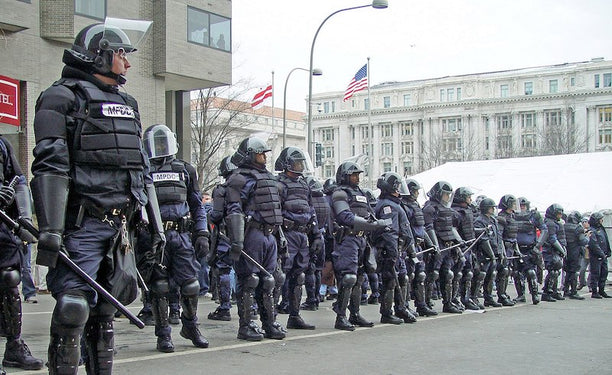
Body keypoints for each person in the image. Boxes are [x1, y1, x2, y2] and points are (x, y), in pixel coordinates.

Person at [31, 19, 163, 374]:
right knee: (73, 308)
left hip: (121, 229)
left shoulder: (129, 103)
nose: (128, 63)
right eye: (121, 53)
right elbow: (50, 165)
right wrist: (51, 229)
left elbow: (140, 170)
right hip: (82, 224)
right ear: (99, 55)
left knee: (106, 310)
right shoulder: (62, 97)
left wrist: (153, 226)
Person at [138, 124, 211, 353]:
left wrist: (202, 233)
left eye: (163, 141)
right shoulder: (142, 170)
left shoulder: (185, 170)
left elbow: (197, 205)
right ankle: (163, 335)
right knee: (159, 287)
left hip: (181, 235)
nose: (160, 146)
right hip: (154, 237)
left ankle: (190, 327)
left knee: (191, 284)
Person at [225, 137, 286, 341]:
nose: (265, 157)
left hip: (270, 234)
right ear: (250, 155)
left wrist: (281, 235)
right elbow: (234, 209)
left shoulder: (268, 177)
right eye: (261, 154)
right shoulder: (239, 178)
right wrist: (237, 240)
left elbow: (274, 209)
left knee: (270, 281)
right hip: (251, 234)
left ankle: (269, 322)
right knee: (250, 280)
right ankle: (246, 325)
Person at [0, 136, 43, 373]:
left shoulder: (2, 145)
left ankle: (14, 347)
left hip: (2, 227)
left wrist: (24, 223)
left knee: (9, 279)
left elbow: (18, 182)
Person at [330, 162, 389, 331]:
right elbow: (344, 216)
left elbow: (369, 213)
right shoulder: (340, 192)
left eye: (358, 174)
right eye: (353, 174)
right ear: (345, 176)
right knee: (349, 277)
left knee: (360, 277)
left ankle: (354, 314)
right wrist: (371, 225)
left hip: (363, 239)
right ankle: (341, 317)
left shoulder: (361, 193)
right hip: (348, 238)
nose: (357, 177)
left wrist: (380, 223)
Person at [274, 147, 321, 330]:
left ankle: (294, 316)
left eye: (301, 162)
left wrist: (316, 235)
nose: (300, 166)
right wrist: (279, 236)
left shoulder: (304, 185)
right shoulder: (279, 185)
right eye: (296, 162)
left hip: (303, 235)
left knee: (299, 275)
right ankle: (273, 318)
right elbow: (275, 213)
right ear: (286, 164)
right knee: (279, 276)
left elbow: (312, 211)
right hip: (287, 233)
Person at [373, 172, 417, 324]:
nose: (399, 190)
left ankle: (401, 307)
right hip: (390, 250)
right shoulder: (387, 205)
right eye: (396, 187)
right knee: (391, 280)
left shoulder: (394, 203)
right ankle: (387, 312)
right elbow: (389, 231)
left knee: (402, 278)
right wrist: (392, 254)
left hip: (398, 249)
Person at [423, 181, 463, 314]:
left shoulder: (448, 210)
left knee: (448, 274)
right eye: (445, 194)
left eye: (448, 195)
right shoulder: (430, 208)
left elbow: (452, 228)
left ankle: (448, 302)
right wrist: (434, 245)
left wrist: (458, 242)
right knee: (432, 274)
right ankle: (426, 302)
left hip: (448, 245)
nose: (447, 197)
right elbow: (429, 227)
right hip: (437, 245)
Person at [401, 179, 437, 317]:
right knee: (408, 276)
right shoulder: (404, 206)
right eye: (414, 190)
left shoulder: (416, 205)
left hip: (419, 245)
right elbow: (406, 228)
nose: (416, 193)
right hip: (410, 245)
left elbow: (421, 227)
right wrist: (410, 248)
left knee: (420, 275)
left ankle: (421, 305)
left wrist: (430, 243)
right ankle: (404, 305)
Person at [207, 156, 237, 321]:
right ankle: (252, 308)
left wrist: (209, 216)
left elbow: (216, 215)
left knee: (223, 269)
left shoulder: (221, 189)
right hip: (246, 235)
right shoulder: (247, 186)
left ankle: (225, 307)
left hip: (225, 236)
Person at [301, 176, 330, 311]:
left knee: (310, 270)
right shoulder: (325, 201)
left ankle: (311, 299)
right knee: (318, 269)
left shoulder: (309, 202)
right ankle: (316, 297)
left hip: (310, 237)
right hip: (321, 237)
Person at [451, 187, 480, 310]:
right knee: (457, 274)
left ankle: (466, 298)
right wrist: (459, 243)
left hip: (469, 246)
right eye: (468, 197)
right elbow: (453, 229)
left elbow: (471, 229)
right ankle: (454, 299)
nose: (470, 199)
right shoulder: (455, 211)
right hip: (460, 247)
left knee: (469, 273)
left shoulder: (468, 211)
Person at [514, 196, 547, 305]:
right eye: (520, 205)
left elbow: (544, 230)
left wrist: (537, 246)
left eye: (524, 205)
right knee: (517, 273)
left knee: (531, 272)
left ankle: (535, 294)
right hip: (516, 248)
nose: (522, 207)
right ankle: (521, 295)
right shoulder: (512, 215)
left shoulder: (534, 215)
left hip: (530, 248)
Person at [474, 198, 503, 308]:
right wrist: (491, 255)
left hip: (493, 251)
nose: (493, 209)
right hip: (483, 253)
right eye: (491, 207)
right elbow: (483, 240)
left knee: (491, 275)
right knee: (481, 275)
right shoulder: (480, 221)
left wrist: (500, 252)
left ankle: (489, 297)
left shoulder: (493, 220)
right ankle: (474, 297)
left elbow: (498, 237)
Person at [541, 204, 567, 302]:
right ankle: (547, 293)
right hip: (550, 250)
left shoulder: (554, 222)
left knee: (556, 271)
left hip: (554, 250)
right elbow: (552, 239)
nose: (560, 215)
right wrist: (562, 250)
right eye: (558, 213)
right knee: (552, 271)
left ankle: (554, 292)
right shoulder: (550, 223)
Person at [495, 195, 518, 306]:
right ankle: (501, 296)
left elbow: (514, 236)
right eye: (512, 203)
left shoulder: (512, 217)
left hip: (511, 248)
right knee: (503, 271)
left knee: (508, 271)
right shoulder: (501, 217)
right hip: (504, 247)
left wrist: (517, 250)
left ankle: (503, 293)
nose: (514, 205)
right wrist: (502, 252)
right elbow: (499, 236)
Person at [563, 211, 589, 299]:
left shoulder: (564, 226)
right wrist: (587, 237)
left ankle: (566, 290)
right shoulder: (578, 228)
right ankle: (573, 291)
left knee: (568, 271)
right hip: (575, 251)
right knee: (574, 272)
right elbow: (582, 241)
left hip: (566, 251)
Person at [586, 212, 611, 299]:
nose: (602, 221)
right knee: (595, 273)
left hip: (603, 255)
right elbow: (593, 244)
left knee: (604, 273)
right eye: (600, 219)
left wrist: (608, 251)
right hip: (596, 256)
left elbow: (606, 241)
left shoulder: (601, 229)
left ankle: (601, 290)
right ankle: (594, 291)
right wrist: (601, 253)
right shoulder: (592, 231)